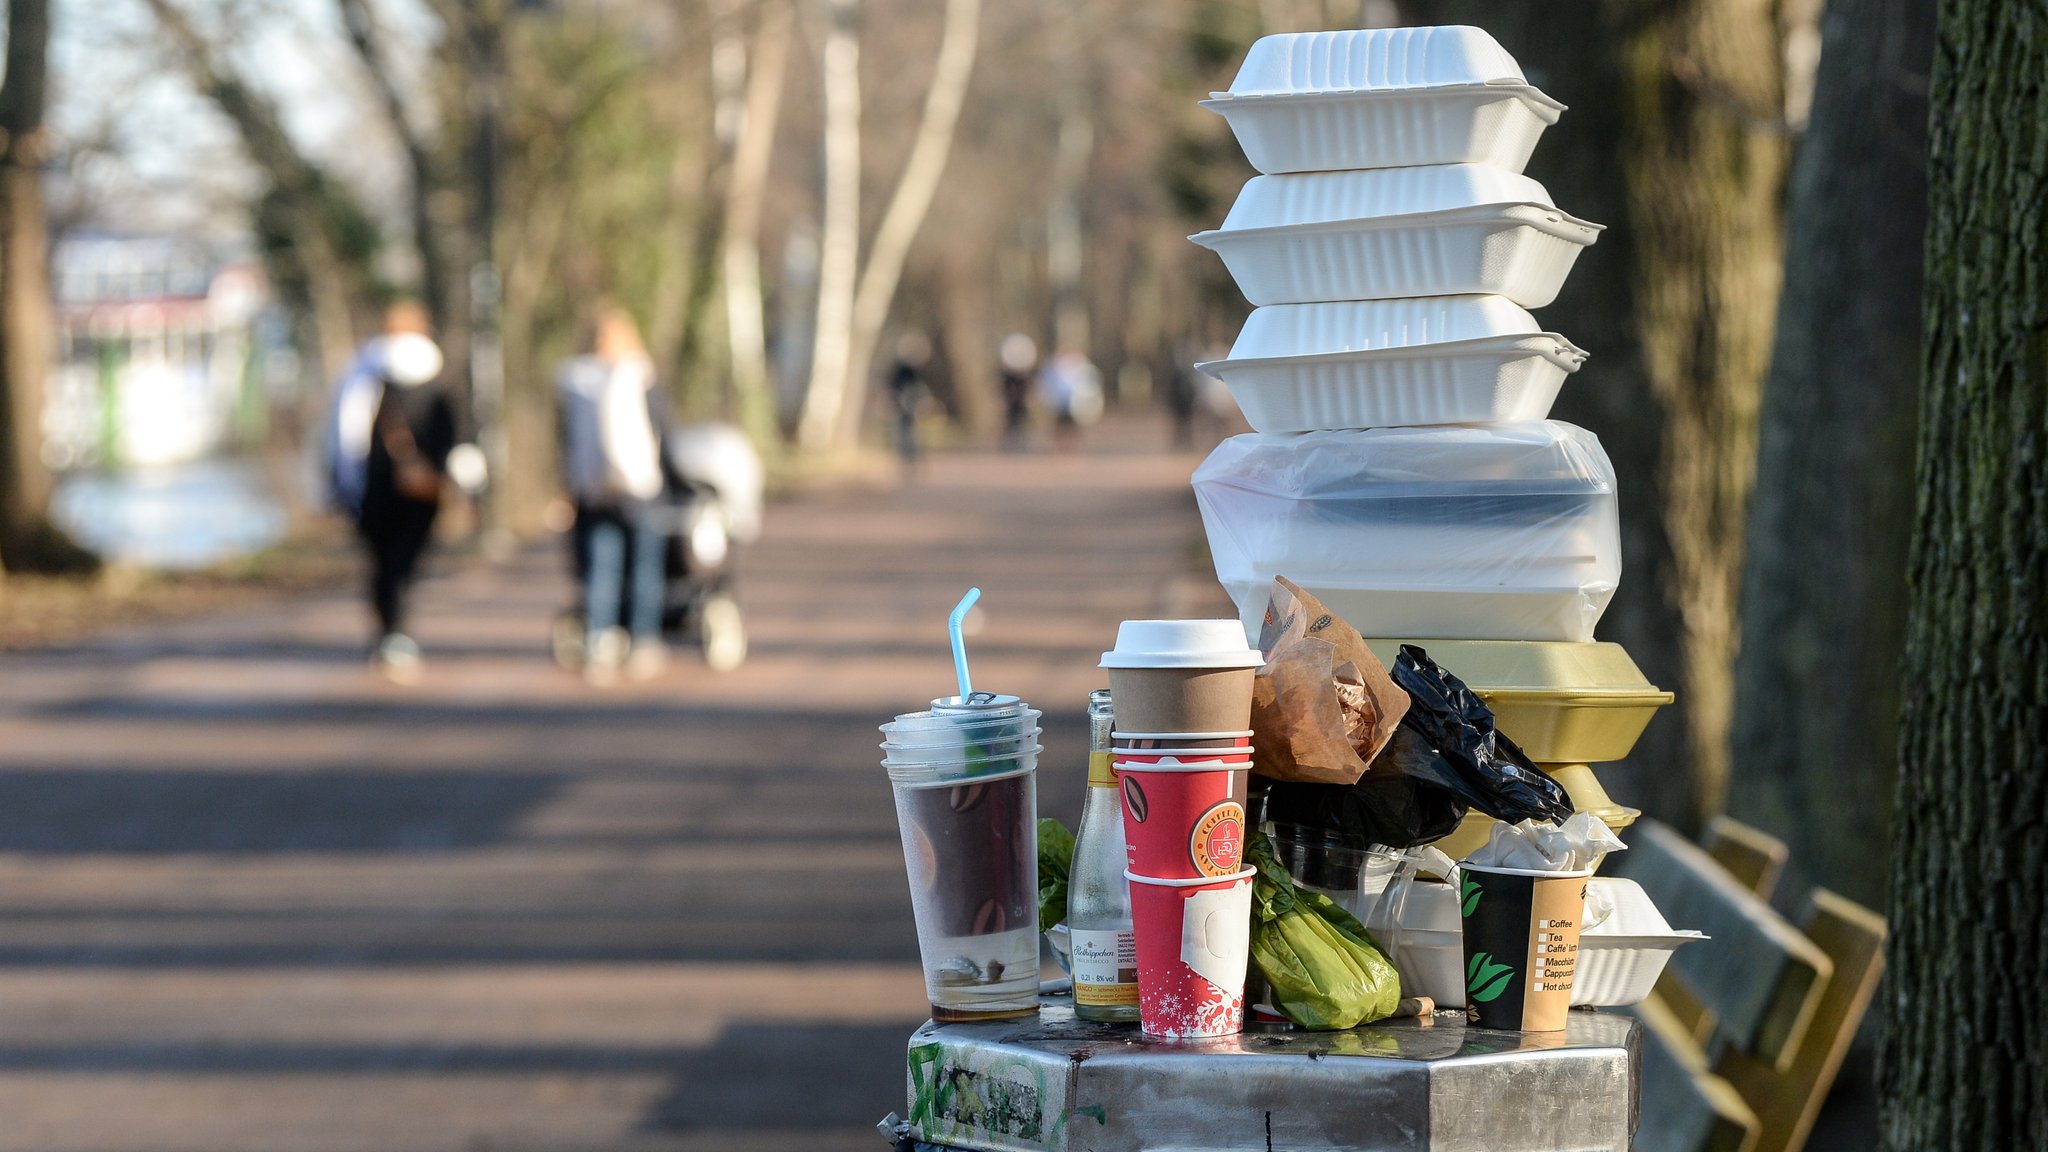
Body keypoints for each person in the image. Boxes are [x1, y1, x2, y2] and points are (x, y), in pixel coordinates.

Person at [324, 301, 484, 682]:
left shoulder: (362, 371)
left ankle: (390, 631)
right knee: (403, 562)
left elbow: (342, 434)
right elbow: (457, 432)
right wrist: (463, 484)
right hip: (422, 489)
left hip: (372, 487)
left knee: (382, 563)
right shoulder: (439, 376)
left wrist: (340, 484)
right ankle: (396, 631)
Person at [557, 305, 674, 686]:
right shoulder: (641, 376)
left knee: (600, 571)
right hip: (640, 489)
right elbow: (665, 432)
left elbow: (564, 440)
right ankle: (643, 641)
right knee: (645, 569)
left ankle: (601, 641)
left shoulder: (574, 381)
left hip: (592, 490)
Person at [1035, 346, 1103, 452]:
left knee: (1073, 428)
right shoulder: (1054, 369)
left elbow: (1089, 385)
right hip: (1059, 404)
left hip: (1075, 405)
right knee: (1059, 427)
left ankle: (1073, 448)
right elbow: (1047, 385)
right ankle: (1059, 448)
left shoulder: (1082, 368)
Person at [887, 331, 932, 477]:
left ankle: (913, 463)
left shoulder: (915, 372)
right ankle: (907, 463)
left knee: (912, 437)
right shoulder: (900, 371)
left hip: (911, 409)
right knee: (904, 437)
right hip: (902, 408)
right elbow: (892, 388)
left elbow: (921, 390)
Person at [997, 333, 1037, 451]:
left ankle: (1023, 444)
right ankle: (1008, 445)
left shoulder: (1025, 377)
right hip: (1010, 404)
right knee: (1009, 423)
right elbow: (1001, 388)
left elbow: (1030, 389)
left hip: (1021, 404)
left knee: (1023, 422)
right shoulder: (1006, 376)